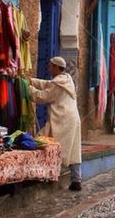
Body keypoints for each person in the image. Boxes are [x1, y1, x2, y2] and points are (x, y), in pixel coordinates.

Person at [30, 56, 83, 191]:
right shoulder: (67, 80)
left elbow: (43, 96)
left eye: (51, 66)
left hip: (62, 120)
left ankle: (45, 174)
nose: (49, 68)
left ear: (56, 67)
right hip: (73, 119)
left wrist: (28, 89)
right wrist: (31, 81)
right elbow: (48, 84)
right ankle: (76, 180)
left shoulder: (57, 84)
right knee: (74, 150)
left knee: (44, 142)